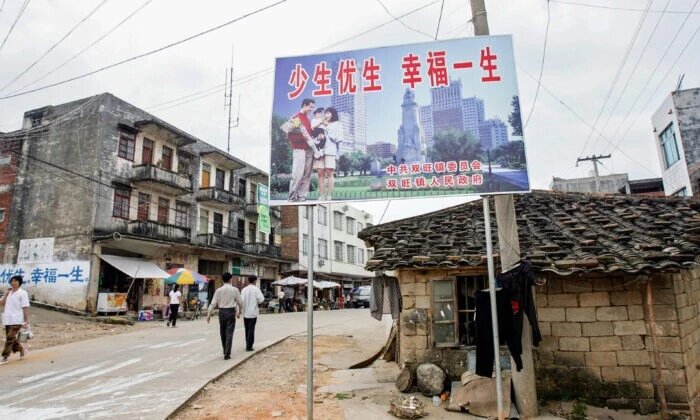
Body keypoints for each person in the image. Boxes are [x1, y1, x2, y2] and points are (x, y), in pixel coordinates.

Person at [286, 98, 317, 202]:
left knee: (307, 175)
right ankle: (292, 197)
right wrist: (302, 137)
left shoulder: (307, 120)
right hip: (299, 149)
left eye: (313, 107)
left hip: (309, 150)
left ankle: (301, 196)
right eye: (310, 107)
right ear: (304, 105)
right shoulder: (295, 118)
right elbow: (290, 135)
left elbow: (309, 134)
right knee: (297, 174)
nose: (312, 109)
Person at [207, 272, 243, 360]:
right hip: (231, 312)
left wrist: (209, 314)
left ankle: (225, 350)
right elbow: (240, 302)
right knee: (229, 332)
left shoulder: (218, 290)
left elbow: (213, 303)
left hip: (222, 312)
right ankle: (227, 352)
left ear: (222, 280)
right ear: (230, 279)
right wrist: (239, 312)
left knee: (222, 332)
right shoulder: (235, 290)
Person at [0, 275, 30, 365]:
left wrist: (26, 319)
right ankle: (22, 350)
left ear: (19, 282)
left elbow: (25, 306)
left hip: (18, 319)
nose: (13, 282)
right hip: (8, 319)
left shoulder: (23, 293)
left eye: (16, 281)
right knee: (12, 338)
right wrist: (5, 294)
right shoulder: (8, 292)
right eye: (12, 281)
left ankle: (5, 356)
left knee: (9, 338)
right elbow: (1, 303)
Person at [319, 107, 344, 201]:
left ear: (333, 114)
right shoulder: (322, 124)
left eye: (328, 113)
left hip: (331, 151)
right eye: (325, 113)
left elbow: (339, 139)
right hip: (320, 151)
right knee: (320, 173)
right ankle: (321, 196)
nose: (326, 115)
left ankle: (329, 196)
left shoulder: (337, 124)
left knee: (329, 173)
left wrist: (339, 153)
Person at [241, 275, 265, 352]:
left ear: (248, 281)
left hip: (245, 313)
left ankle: (247, 344)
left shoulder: (244, 290)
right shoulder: (256, 289)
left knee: (247, 329)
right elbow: (261, 300)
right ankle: (249, 346)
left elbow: (241, 301)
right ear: (255, 281)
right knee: (251, 330)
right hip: (253, 313)